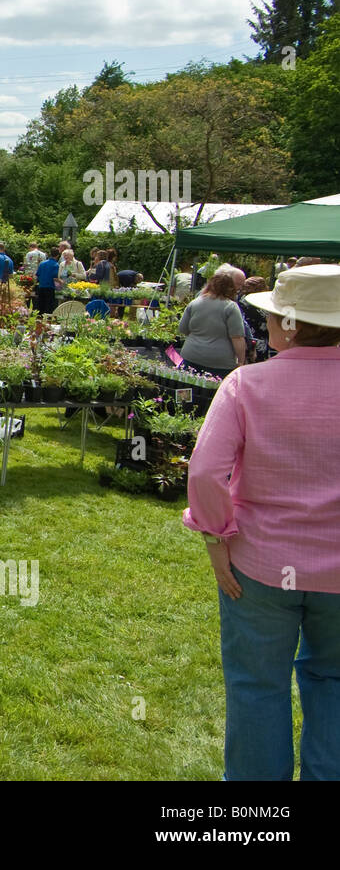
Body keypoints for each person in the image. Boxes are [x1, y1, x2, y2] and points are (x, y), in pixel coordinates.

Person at [184, 264, 340, 780]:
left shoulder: (246, 384)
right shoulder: (245, 382)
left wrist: (214, 536)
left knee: (256, 687)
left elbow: (206, 470)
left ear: (289, 325)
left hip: (260, 565)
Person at [178, 271, 246, 378]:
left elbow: (182, 329)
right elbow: (237, 337)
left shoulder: (195, 302)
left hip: (191, 355)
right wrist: (241, 361)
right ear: (231, 288)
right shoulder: (231, 307)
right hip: (220, 362)